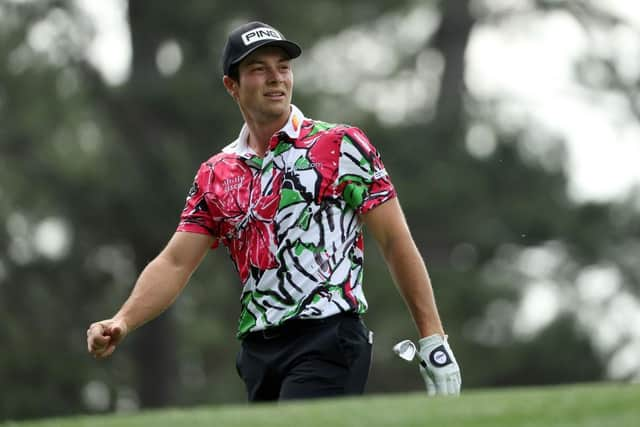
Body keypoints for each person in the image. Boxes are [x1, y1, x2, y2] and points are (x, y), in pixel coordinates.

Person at [87, 21, 461, 401]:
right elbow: (175, 263)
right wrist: (122, 320)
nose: (275, 78)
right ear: (231, 86)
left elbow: (395, 241)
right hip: (258, 354)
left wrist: (432, 337)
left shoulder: (340, 145)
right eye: (258, 69)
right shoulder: (216, 173)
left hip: (329, 338)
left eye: (282, 66)